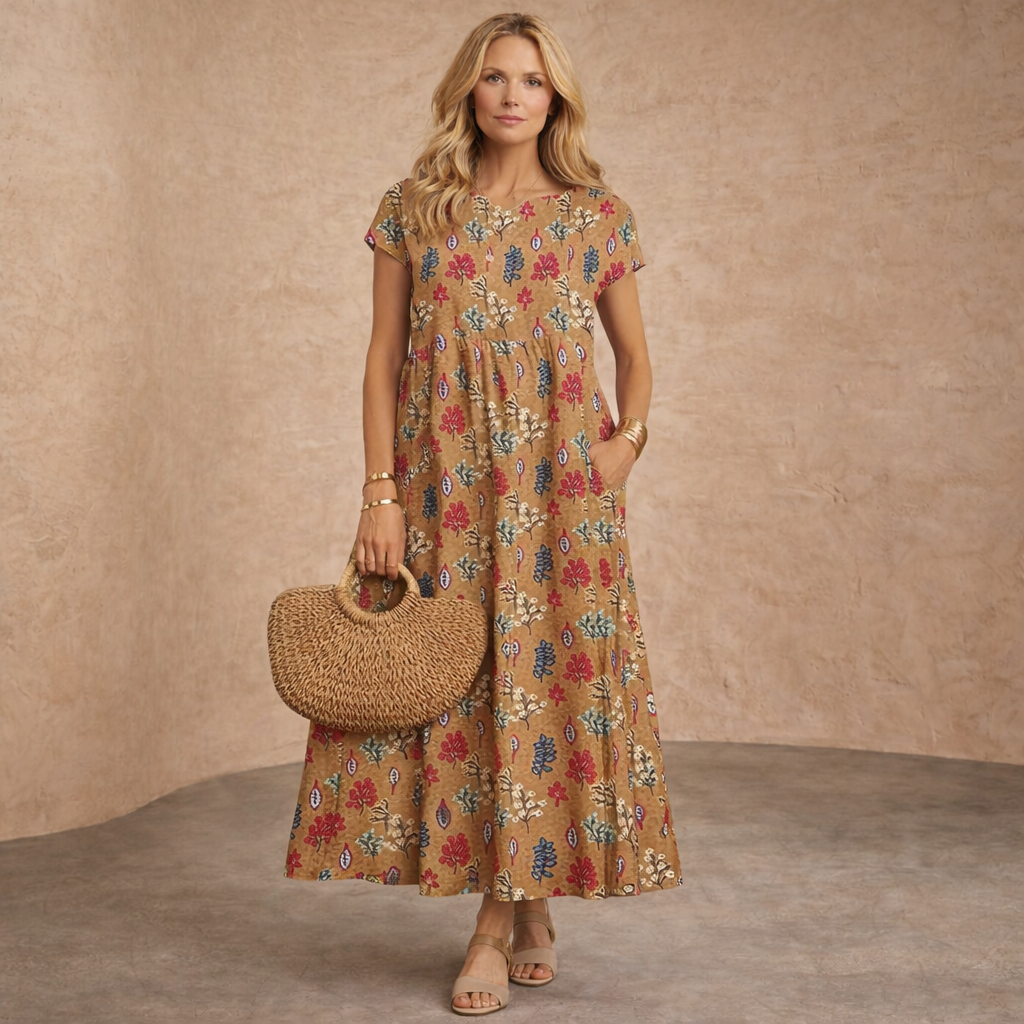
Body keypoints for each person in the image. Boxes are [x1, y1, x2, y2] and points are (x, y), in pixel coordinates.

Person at [284, 12, 683, 1015]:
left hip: (562, 501)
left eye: (533, 81)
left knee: (541, 691)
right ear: (469, 88)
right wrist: (379, 492)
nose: (513, 95)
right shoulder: (415, 208)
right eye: (497, 77)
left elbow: (635, 358)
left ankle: (494, 926)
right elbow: (381, 358)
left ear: (556, 100)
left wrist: (626, 445)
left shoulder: (598, 216)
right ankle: (527, 902)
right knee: (466, 690)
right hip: (446, 491)